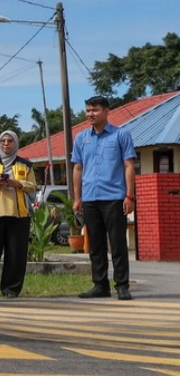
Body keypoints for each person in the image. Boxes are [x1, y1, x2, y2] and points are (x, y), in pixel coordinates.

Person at [72, 95, 137, 300]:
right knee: (96, 245)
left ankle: (122, 285)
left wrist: (129, 195)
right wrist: (77, 197)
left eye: (95, 110)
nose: (90, 114)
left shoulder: (121, 135)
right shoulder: (81, 138)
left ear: (107, 111)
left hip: (114, 197)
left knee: (117, 243)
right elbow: (78, 167)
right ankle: (100, 285)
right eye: (88, 110)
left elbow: (128, 166)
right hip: (90, 198)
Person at [0, 130, 37, 299]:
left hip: (18, 215)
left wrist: (16, 183)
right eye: (3, 140)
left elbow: (33, 186)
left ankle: (11, 289)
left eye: (10, 141)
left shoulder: (25, 165)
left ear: (16, 143)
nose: (6, 144)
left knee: (16, 254)